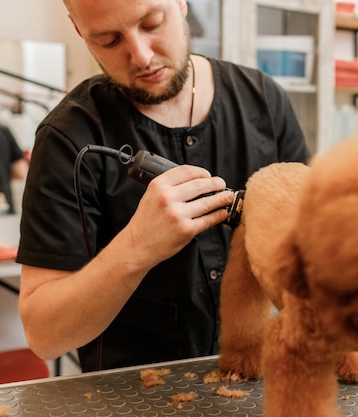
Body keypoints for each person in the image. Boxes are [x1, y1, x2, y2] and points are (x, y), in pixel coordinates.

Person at [17, 0, 311, 373]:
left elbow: (317, 248)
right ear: (79, 31)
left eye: (152, 23)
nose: (140, 56)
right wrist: (136, 248)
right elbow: (45, 336)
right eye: (108, 40)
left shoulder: (264, 101)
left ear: (182, 4)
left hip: (262, 378)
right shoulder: (68, 139)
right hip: (133, 393)